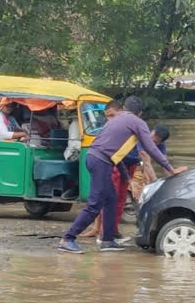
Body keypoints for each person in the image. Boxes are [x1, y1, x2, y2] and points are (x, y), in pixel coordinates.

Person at [57, 95, 187, 254]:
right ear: (140, 113)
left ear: (124, 108)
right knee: (95, 204)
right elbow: (150, 148)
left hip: (96, 158)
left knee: (111, 199)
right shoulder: (137, 123)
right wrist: (171, 169)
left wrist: (127, 178)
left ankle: (107, 240)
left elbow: (117, 156)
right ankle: (68, 239)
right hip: (101, 161)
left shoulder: (115, 120)